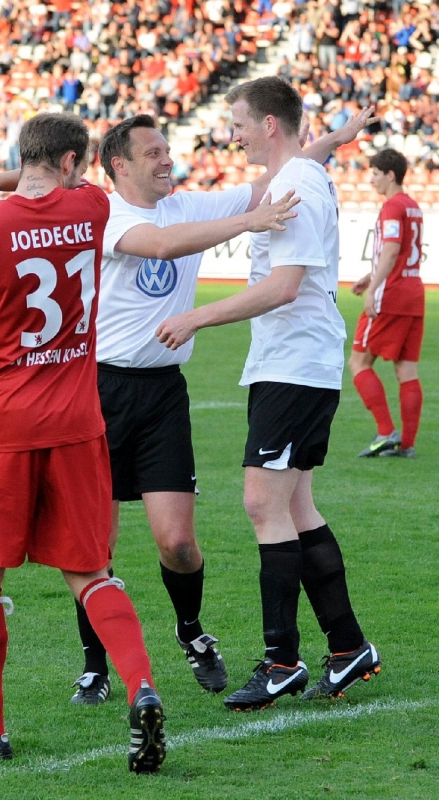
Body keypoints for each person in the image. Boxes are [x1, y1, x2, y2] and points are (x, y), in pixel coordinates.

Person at [0, 108, 376, 710]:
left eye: (167, 150)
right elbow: (164, 246)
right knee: (95, 547)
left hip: (163, 393)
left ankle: (191, 632)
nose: (168, 159)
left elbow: (277, 172)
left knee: (178, 544)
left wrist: (333, 139)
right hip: (97, 389)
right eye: (154, 153)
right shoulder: (103, 212)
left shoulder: (187, 203)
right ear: (118, 166)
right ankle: (95, 665)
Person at [0, 112, 166, 774]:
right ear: (70, 163)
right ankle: (141, 686)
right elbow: (64, 183)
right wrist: (2, 178)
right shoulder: (91, 209)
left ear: (24, 155)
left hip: (2, 427)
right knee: (90, 572)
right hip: (78, 424)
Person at [156, 76, 382, 710]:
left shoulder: (295, 183)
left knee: (262, 504)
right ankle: (349, 647)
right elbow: (306, 159)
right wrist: (338, 137)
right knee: (295, 507)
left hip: (296, 364)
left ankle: (282, 659)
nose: (233, 135)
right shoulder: (300, 172)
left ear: (269, 125)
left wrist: (197, 316)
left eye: (239, 124)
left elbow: (284, 286)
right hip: (291, 363)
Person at [348, 148, 424, 459]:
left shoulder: (393, 206)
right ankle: (406, 444)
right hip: (413, 293)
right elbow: (401, 252)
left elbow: (391, 250)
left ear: (390, 175)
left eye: (376, 174)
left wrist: (373, 289)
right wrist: (370, 276)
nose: (372, 180)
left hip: (391, 294)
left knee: (358, 362)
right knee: (406, 369)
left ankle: (385, 431)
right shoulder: (413, 206)